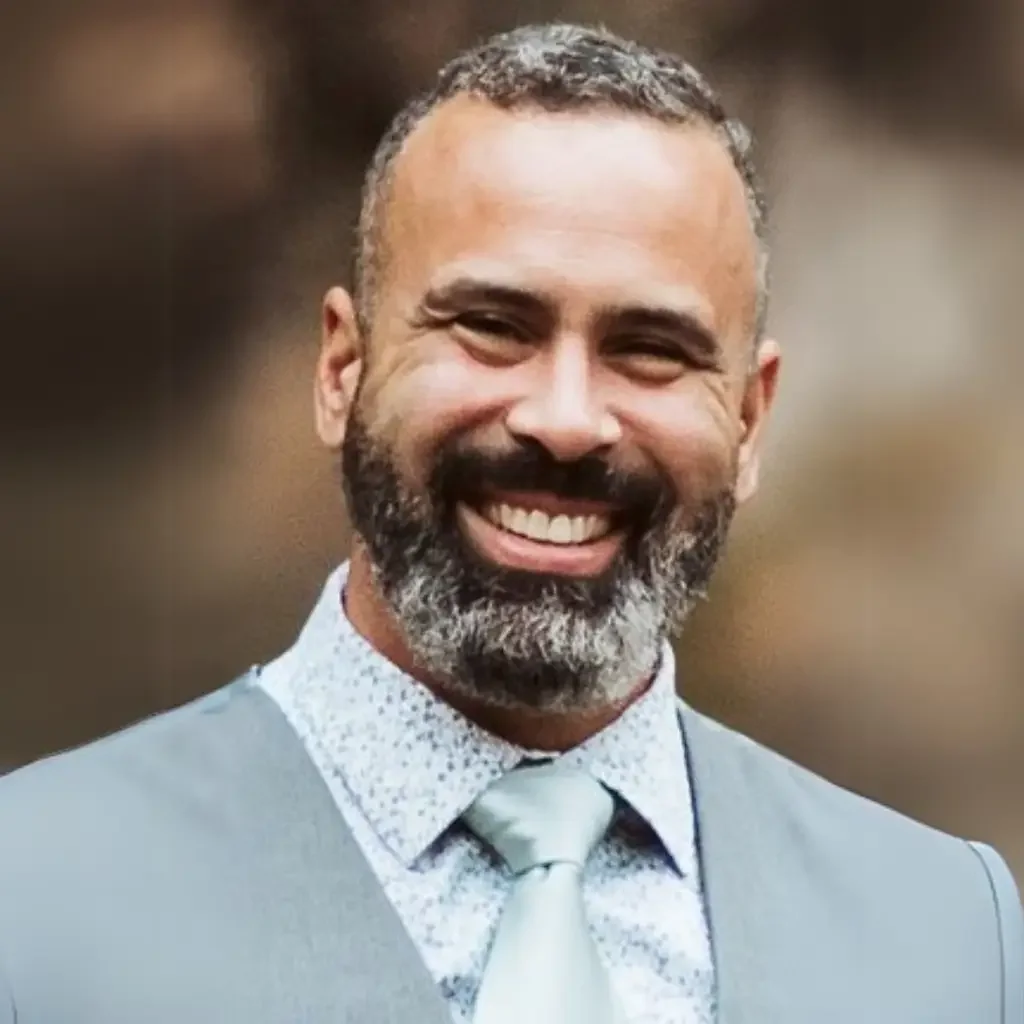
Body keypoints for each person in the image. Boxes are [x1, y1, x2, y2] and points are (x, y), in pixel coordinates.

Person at [0, 22, 1020, 1024]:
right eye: (490, 326)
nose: (566, 420)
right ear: (339, 370)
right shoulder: (34, 897)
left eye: (651, 347)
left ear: (748, 420)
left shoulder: (949, 935)